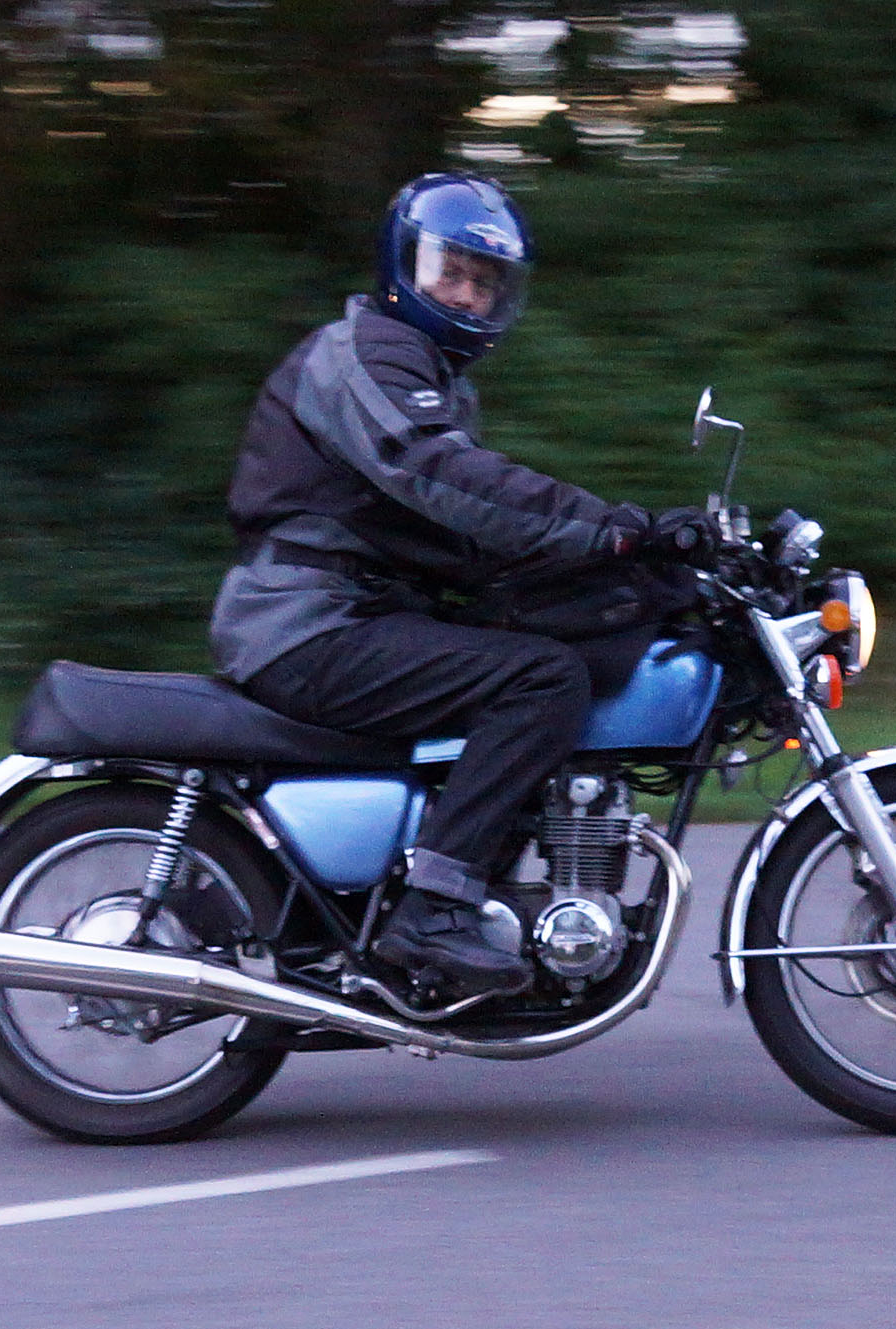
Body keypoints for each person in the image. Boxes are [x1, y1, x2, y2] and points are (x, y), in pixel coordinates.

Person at [210, 172, 701, 993]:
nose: (469, 295)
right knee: (544, 680)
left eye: (485, 281)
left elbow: (465, 540)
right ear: (403, 266)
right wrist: (615, 526)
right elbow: (442, 476)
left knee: (542, 650)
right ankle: (434, 910)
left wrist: (633, 563)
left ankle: (477, 890)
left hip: (356, 614)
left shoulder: (432, 378)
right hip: (307, 624)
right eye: (452, 272)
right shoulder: (366, 354)